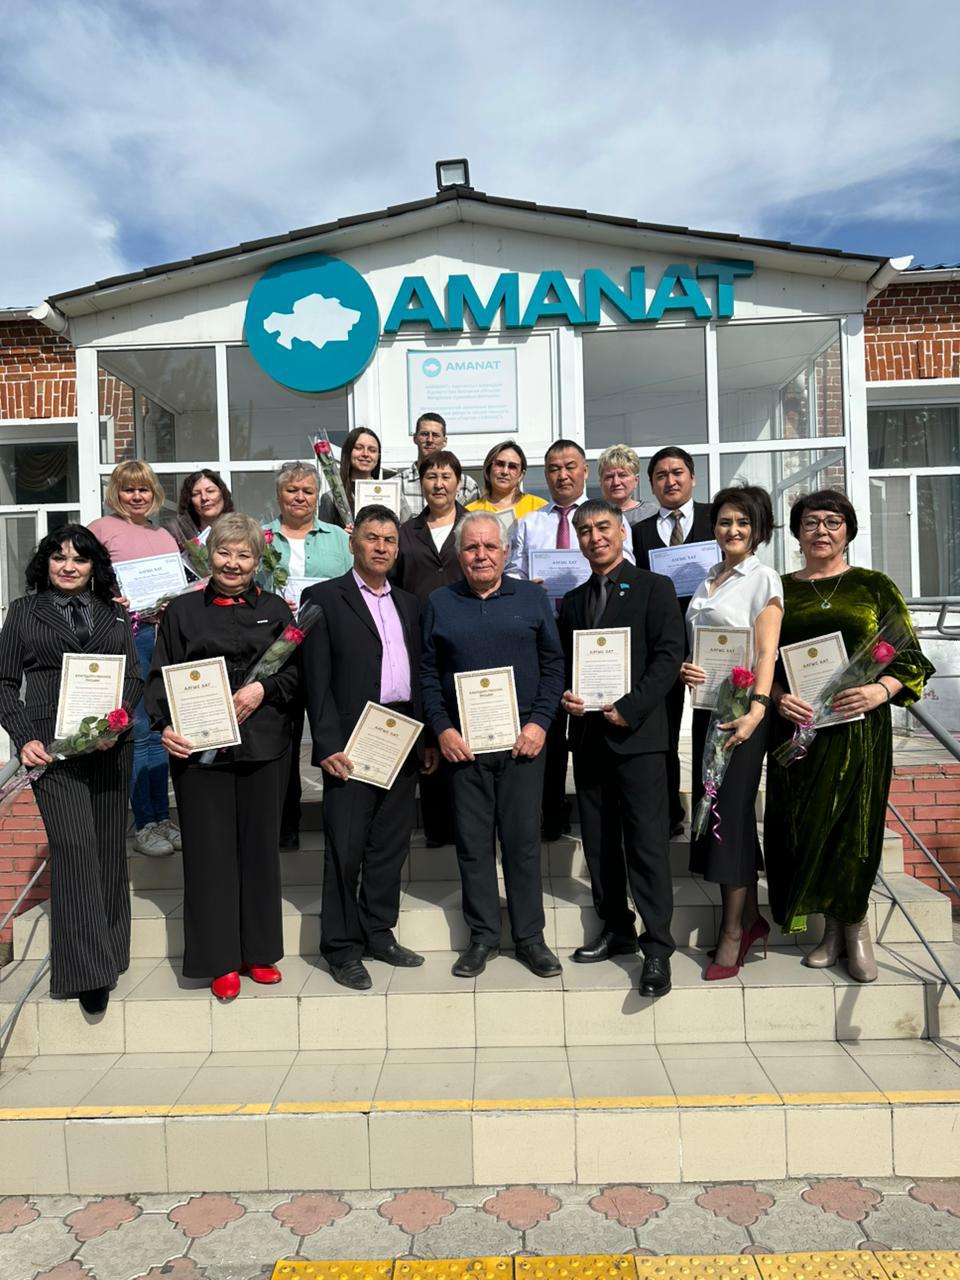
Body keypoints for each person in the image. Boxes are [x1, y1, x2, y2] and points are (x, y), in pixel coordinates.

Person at [765, 490, 933, 982]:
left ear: (848, 531)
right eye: (810, 522)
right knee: (806, 828)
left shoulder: (873, 586)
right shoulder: (778, 590)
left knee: (854, 831)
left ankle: (855, 926)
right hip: (800, 731)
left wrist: (880, 691)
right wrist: (778, 697)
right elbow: (761, 659)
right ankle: (829, 930)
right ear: (797, 533)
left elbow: (910, 655)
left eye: (832, 521)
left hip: (859, 731)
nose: (821, 530)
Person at [146, 513, 298, 1000]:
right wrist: (164, 726)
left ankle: (258, 952)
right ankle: (220, 960)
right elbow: (159, 675)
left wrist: (263, 689)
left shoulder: (276, 609)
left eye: (244, 555)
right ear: (208, 556)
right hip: (198, 751)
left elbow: (296, 675)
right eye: (224, 552)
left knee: (258, 851)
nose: (233, 563)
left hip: (263, 747)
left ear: (258, 560)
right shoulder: (181, 612)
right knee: (209, 854)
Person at [0, 525, 142, 1013]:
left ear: (93, 567)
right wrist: (25, 737)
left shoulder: (114, 613)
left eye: (79, 559)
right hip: (51, 749)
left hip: (109, 747)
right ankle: (87, 973)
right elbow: (3, 682)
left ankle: (112, 951)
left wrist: (118, 722)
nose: (68, 566)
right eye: (59, 557)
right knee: (75, 846)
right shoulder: (24, 611)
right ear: (46, 563)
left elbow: (133, 678)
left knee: (107, 849)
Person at [421, 511, 565, 979]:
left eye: (489, 547)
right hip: (463, 746)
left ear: (505, 552)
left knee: (522, 844)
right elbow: (427, 674)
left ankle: (530, 938)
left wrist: (540, 723)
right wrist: (442, 729)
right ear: (458, 554)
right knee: (473, 845)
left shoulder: (532, 598)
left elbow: (554, 665)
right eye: (471, 547)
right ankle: (482, 936)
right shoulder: (440, 602)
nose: (480, 555)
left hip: (523, 743)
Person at [301, 505, 437, 989]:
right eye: (372, 537)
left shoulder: (409, 603)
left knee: (389, 846)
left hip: (401, 734)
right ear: (353, 542)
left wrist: (425, 736)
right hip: (351, 740)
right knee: (346, 847)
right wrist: (326, 744)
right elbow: (315, 679)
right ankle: (341, 947)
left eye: (390, 540)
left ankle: (378, 932)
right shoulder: (322, 597)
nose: (381, 547)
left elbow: (421, 672)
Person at [558, 500, 685, 997]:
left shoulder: (655, 587)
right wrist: (569, 696)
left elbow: (669, 656)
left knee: (646, 845)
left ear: (622, 531)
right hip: (589, 738)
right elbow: (565, 663)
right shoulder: (573, 600)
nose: (595, 538)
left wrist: (629, 707)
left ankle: (657, 948)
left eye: (603, 527)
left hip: (639, 738)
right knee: (599, 842)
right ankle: (616, 928)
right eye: (585, 531)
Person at [681, 485, 783, 981]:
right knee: (719, 810)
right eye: (725, 522)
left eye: (743, 522)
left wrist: (757, 711)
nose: (733, 530)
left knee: (730, 817)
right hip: (710, 710)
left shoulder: (763, 579)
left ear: (758, 529)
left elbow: (766, 652)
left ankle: (733, 931)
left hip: (743, 716)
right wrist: (689, 667)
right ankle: (752, 917)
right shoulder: (709, 578)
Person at [89, 460, 182, 857]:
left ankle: (162, 817)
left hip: (163, 635)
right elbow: (83, 581)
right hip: (129, 636)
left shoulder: (164, 535)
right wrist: (109, 598)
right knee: (139, 728)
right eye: (129, 489)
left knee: (161, 729)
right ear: (116, 493)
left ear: (154, 493)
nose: (137, 496)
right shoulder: (100, 530)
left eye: (143, 489)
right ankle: (143, 822)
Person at [262, 461, 353, 850]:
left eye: (308, 491)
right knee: (282, 740)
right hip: (277, 653)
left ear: (318, 496)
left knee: (333, 732)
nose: (300, 497)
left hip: (328, 649)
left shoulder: (340, 539)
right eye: (292, 490)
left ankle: (344, 820)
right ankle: (285, 826)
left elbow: (352, 590)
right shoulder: (261, 538)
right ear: (279, 494)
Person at [507, 440, 593, 841]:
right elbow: (511, 573)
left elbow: (623, 563)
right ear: (546, 475)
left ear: (585, 471)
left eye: (570, 466)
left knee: (593, 724)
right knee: (549, 723)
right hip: (545, 634)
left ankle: (596, 809)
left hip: (592, 631)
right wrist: (528, 587)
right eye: (554, 468)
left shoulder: (604, 517)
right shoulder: (529, 523)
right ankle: (552, 810)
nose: (563, 475)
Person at [633, 446, 715, 836]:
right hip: (662, 646)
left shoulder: (718, 518)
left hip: (713, 643)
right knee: (662, 732)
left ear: (693, 478)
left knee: (712, 730)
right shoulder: (639, 532)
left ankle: (712, 815)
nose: (671, 481)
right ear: (651, 485)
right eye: (661, 475)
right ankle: (668, 813)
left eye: (677, 472)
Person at [393, 451, 466, 849]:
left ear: (458, 482)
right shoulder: (406, 532)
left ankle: (469, 825)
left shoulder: (473, 525)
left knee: (465, 723)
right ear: (421, 483)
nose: (439, 483)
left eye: (446, 476)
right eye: (431, 476)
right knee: (431, 727)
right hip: (419, 641)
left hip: (466, 639)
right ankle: (437, 829)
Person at [397, 413, 480, 512]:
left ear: (445, 441)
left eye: (435, 435)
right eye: (424, 434)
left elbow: (474, 519)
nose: (430, 440)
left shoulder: (467, 485)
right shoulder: (398, 484)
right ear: (415, 438)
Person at [318, 426, 397, 528]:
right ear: (348, 452)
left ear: (378, 456)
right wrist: (340, 535)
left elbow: (406, 531)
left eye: (372, 450)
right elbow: (324, 535)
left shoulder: (392, 492)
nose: (365, 454)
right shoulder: (331, 498)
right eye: (358, 448)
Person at [466, 439, 547, 521]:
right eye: (500, 464)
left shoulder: (540, 508)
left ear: (521, 475)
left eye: (512, 467)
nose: (505, 471)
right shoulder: (470, 513)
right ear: (488, 469)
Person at [597, 444, 657, 527]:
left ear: (636, 480)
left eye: (622, 475)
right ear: (601, 482)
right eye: (609, 477)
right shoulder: (591, 515)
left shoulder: (651, 513)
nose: (616, 482)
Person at [177, 469, 234, 541]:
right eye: (196, 494)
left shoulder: (242, 532)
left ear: (223, 494)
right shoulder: (179, 538)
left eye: (210, 491)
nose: (204, 498)